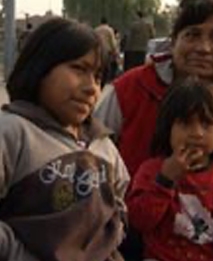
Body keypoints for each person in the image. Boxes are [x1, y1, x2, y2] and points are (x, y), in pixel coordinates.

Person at [95, 0, 213, 260]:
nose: (203, 48)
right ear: (173, 42)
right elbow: (87, 158)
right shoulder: (128, 89)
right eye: (192, 35)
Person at [0, 17, 129, 261]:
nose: (91, 88)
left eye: (98, 76)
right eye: (79, 69)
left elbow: (119, 202)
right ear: (39, 68)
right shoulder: (13, 133)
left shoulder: (103, 145)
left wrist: (114, 234)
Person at [127, 76, 213, 261]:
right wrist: (165, 180)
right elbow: (139, 221)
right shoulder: (151, 170)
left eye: (206, 124)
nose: (196, 133)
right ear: (168, 128)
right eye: (186, 123)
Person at [95, 17, 119, 87]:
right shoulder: (109, 30)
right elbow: (112, 42)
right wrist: (115, 52)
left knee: (99, 66)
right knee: (106, 67)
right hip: (107, 51)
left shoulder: (96, 29)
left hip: (98, 50)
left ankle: (98, 80)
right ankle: (104, 82)